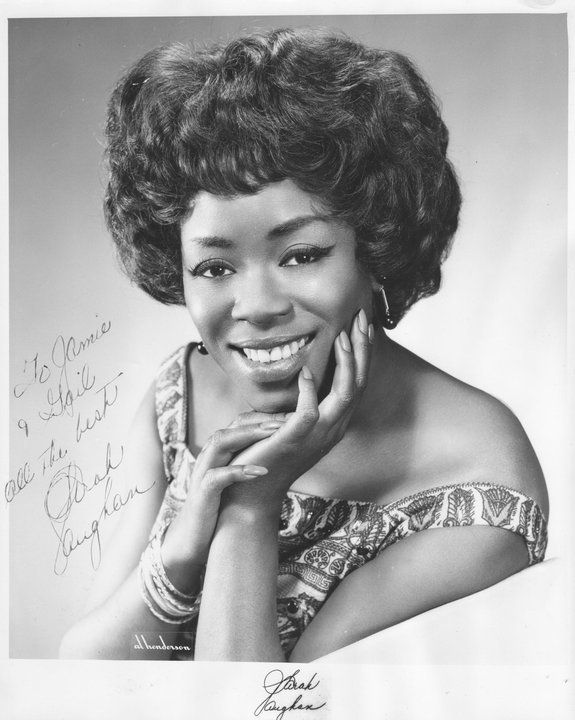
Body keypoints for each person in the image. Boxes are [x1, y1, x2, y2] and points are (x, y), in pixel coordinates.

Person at [59, 27, 548, 662]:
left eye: (301, 255)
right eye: (214, 269)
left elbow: (250, 710)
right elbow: (82, 675)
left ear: (376, 244)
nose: (256, 308)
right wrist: (180, 555)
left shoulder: (478, 479)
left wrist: (249, 513)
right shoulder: (182, 395)